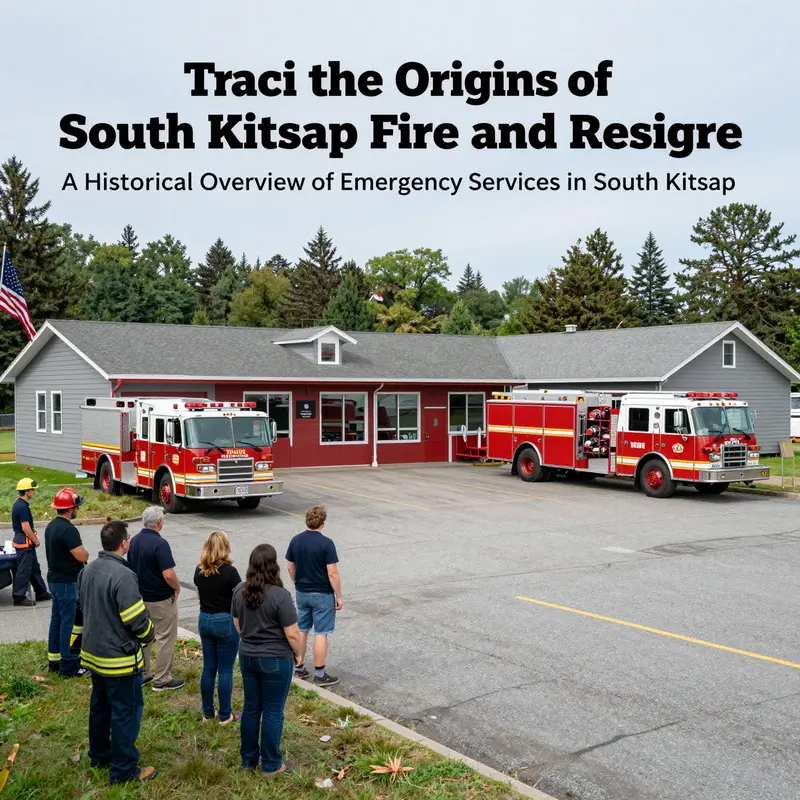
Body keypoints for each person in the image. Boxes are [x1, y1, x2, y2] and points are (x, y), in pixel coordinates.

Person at [71, 520, 157, 784]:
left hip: (94, 657)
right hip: (119, 661)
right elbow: (136, 621)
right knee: (126, 713)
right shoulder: (124, 576)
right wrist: (150, 635)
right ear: (123, 543)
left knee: (100, 709)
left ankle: (99, 756)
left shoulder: (87, 571)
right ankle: (124, 771)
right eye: (128, 538)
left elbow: (81, 611)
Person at [232, 544, 305, 775]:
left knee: (251, 708)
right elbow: (292, 633)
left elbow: (237, 625)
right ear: (274, 566)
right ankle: (272, 763)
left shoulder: (239, 591)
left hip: (247, 656)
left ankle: (248, 760)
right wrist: (299, 654)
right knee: (273, 710)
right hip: (275, 659)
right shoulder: (280, 596)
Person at [127, 506, 183, 691]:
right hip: (160, 599)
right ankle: (162, 678)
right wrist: (176, 587)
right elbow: (168, 574)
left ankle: (143, 673)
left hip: (139, 598)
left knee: (144, 636)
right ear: (160, 522)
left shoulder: (133, 541)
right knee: (165, 636)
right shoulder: (160, 544)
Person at [285, 505, 342, 687]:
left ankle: (299, 667)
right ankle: (320, 673)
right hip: (322, 593)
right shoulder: (326, 544)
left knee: (302, 629)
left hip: (302, 592)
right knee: (321, 632)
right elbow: (332, 573)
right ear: (322, 523)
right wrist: (338, 595)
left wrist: (296, 582)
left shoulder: (296, 540)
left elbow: (290, 567)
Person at [193, 530, 241, 724]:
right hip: (224, 621)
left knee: (208, 668)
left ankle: (207, 712)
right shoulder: (230, 572)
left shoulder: (199, 570)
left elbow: (198, 594)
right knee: (226, 670)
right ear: (225, 548)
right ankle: (224, 715)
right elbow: (239, 598)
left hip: (204, 618)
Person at [44, 487, 90, 677]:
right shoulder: (68, 529)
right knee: (67, 623)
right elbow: (81, 555)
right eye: (76, 506)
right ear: (70, 509)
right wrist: (86, 554)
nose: (78, 509)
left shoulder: (51, 526)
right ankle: (69, 666)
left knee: (56, 620)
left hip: (54, 580)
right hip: (67, 582)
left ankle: (54, 661)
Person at [11, 477, 51, 608]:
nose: (33, 491)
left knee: (34, 568)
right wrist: (35, 540)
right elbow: (26, 528)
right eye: (32, 489)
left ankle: (41, 592)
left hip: (25, 542)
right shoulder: (22, 507)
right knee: (24, 570)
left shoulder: (20, 504)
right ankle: (19, 596)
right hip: (25, 542)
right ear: (26, 491)